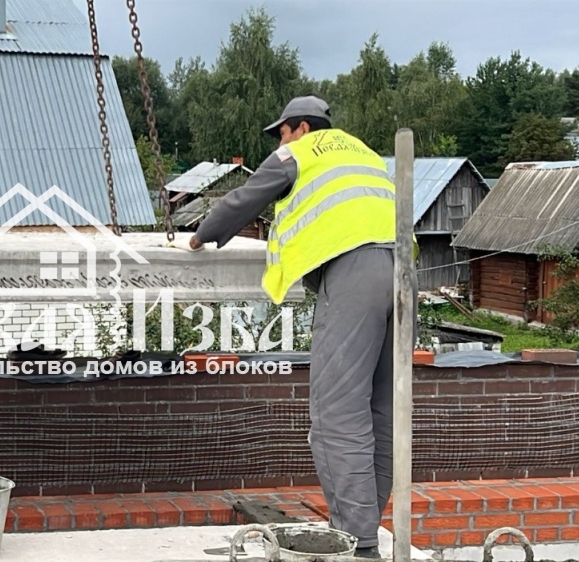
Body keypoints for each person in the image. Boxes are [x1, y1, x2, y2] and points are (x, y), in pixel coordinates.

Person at [167, 96, 416, 557]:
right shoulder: (364, 153)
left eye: (280, 131)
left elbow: (247, 196)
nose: (278, 141)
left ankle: (357, 544)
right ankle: (366, 529)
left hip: (355, 273)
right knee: (384, 411)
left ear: (301, 127)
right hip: (404, 274)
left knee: (337, 413)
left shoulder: (298, 151)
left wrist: (201, 235)